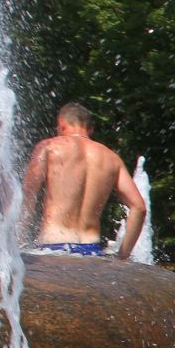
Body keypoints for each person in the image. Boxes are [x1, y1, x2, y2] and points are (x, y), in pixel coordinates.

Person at [19, 102, 148, 258]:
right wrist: (123, 255)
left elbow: (28, 194)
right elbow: (139, 208)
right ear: (90, 129)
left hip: (53, 247)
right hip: (92, 249)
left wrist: (17, 242)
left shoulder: (49, 147)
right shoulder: (111, 158)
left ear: (61, 124)